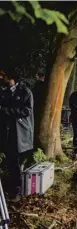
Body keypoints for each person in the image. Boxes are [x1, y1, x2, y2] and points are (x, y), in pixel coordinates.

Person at [0, 71, 34, 202]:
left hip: (20, 133)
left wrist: (5, 110)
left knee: (15, 161)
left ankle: (17, 190)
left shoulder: (25, 92)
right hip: (6, 132)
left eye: (4, 76)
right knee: (10, 161)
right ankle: (10, 187)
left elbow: (27, 111)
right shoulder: (5, 91)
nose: (1, 78)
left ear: (12, 77)